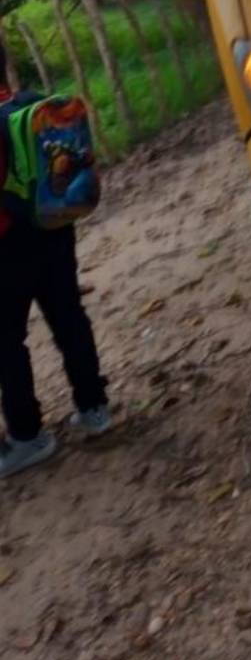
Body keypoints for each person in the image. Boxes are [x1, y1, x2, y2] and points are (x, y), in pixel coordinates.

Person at [0, 41, 110, 479]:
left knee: (7, 343)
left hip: (6, 247)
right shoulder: (32, 106)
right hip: (53, 227)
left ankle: (28, 438)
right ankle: (94, 408)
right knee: (68, 316)